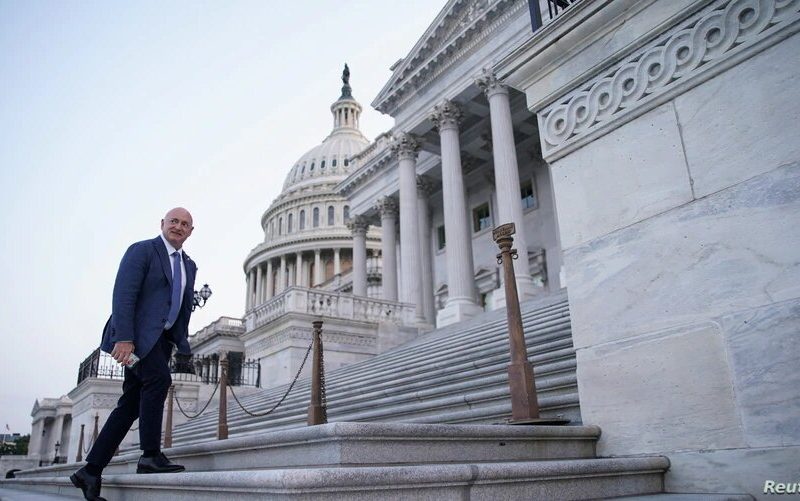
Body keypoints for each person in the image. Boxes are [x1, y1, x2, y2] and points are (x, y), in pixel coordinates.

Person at [71, 207, 198, 501]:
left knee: (130, 404)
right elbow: (124, 295)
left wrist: (183, 345)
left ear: (191, 231)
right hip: (137, 338)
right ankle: (150, 455)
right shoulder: (143, 250)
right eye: (174, 221)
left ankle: (90, 471)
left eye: (185, 224)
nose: (178, 226)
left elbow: (183, 308)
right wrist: (124, 337)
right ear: (162, 224)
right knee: (159, 381)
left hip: (161, 341)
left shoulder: (189, 265)